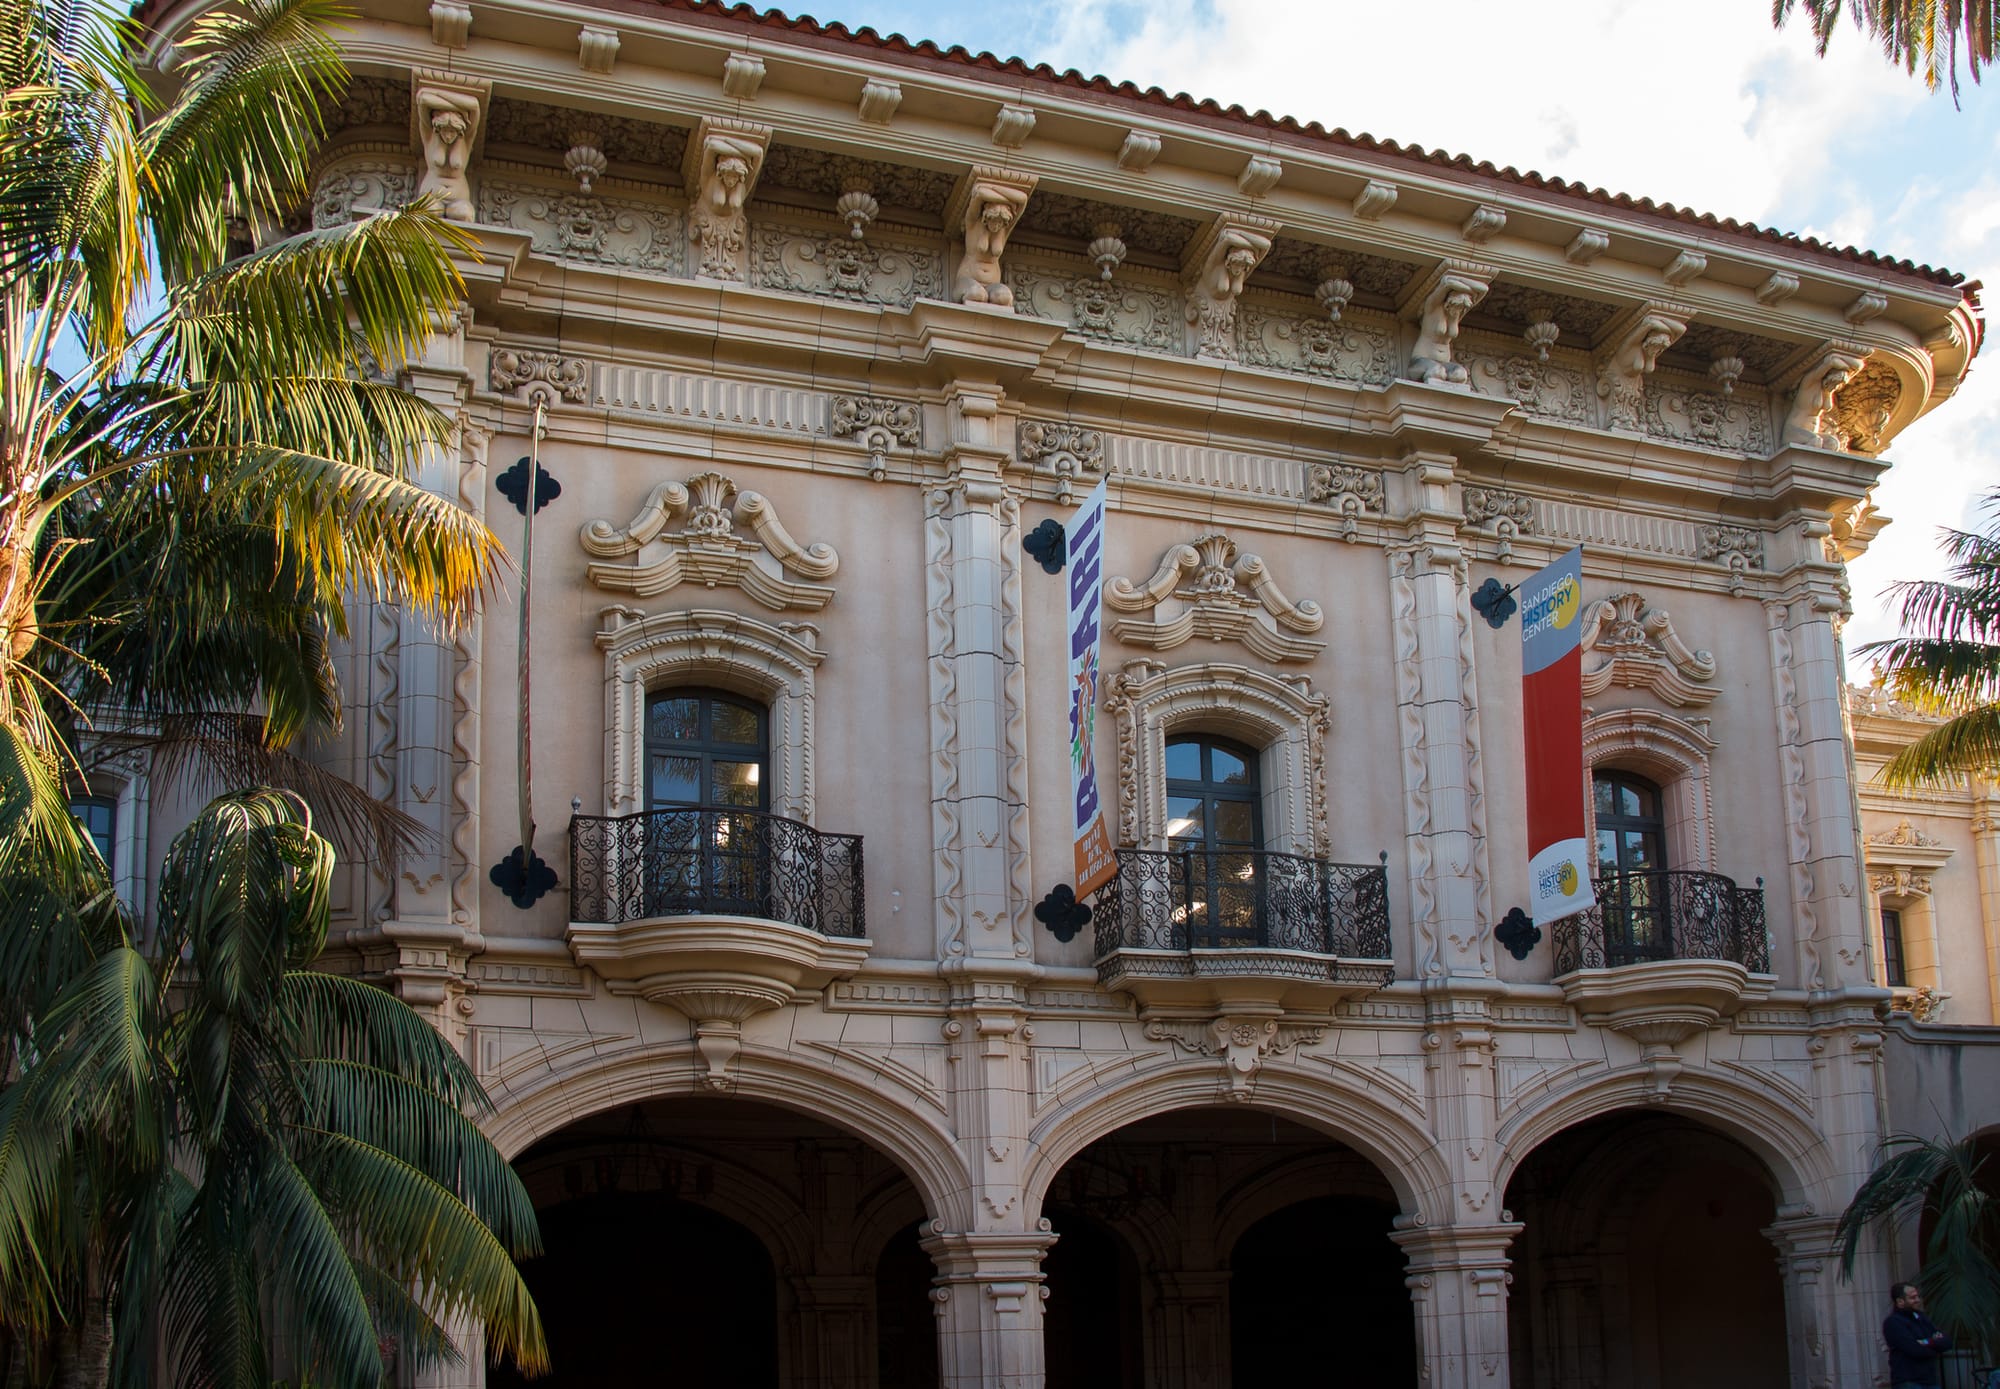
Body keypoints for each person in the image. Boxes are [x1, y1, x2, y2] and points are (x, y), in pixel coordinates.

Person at [1883, 1281, 1952, 1388]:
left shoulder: (1921, 1318)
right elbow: (1914, 1349)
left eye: (1917, 1296)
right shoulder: (1893, 1322)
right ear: (1900, 1301)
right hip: (1909, 1381)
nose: (1918, 1300)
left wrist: (1926, 1342)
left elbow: (1947, 1342)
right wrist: (1935, 1347)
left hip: (1930, 1380)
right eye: (1913, 1298)